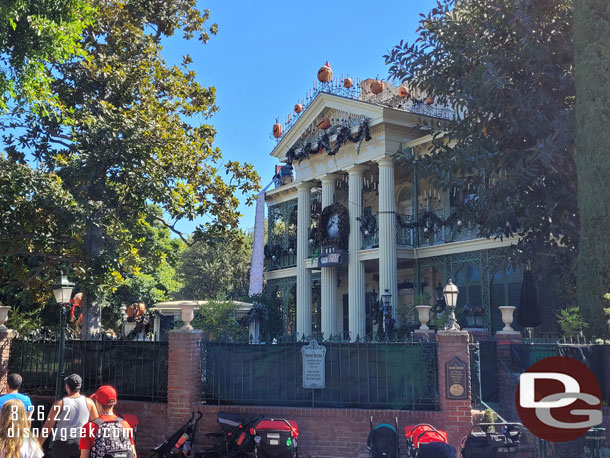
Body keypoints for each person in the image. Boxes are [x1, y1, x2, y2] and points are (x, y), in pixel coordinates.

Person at [40, 374, 98, 458]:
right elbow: (95, 424)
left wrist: (38, 444)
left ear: (67, 386)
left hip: (62, 445)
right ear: (80, 387)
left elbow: (47, 427)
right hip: (81, 443)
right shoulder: (89, 403)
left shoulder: (59, 404)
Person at [79, 385, 136, 458]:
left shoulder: (89, 428)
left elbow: (84, 456)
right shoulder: (125, 424)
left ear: (97, 403)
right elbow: (134, 454)